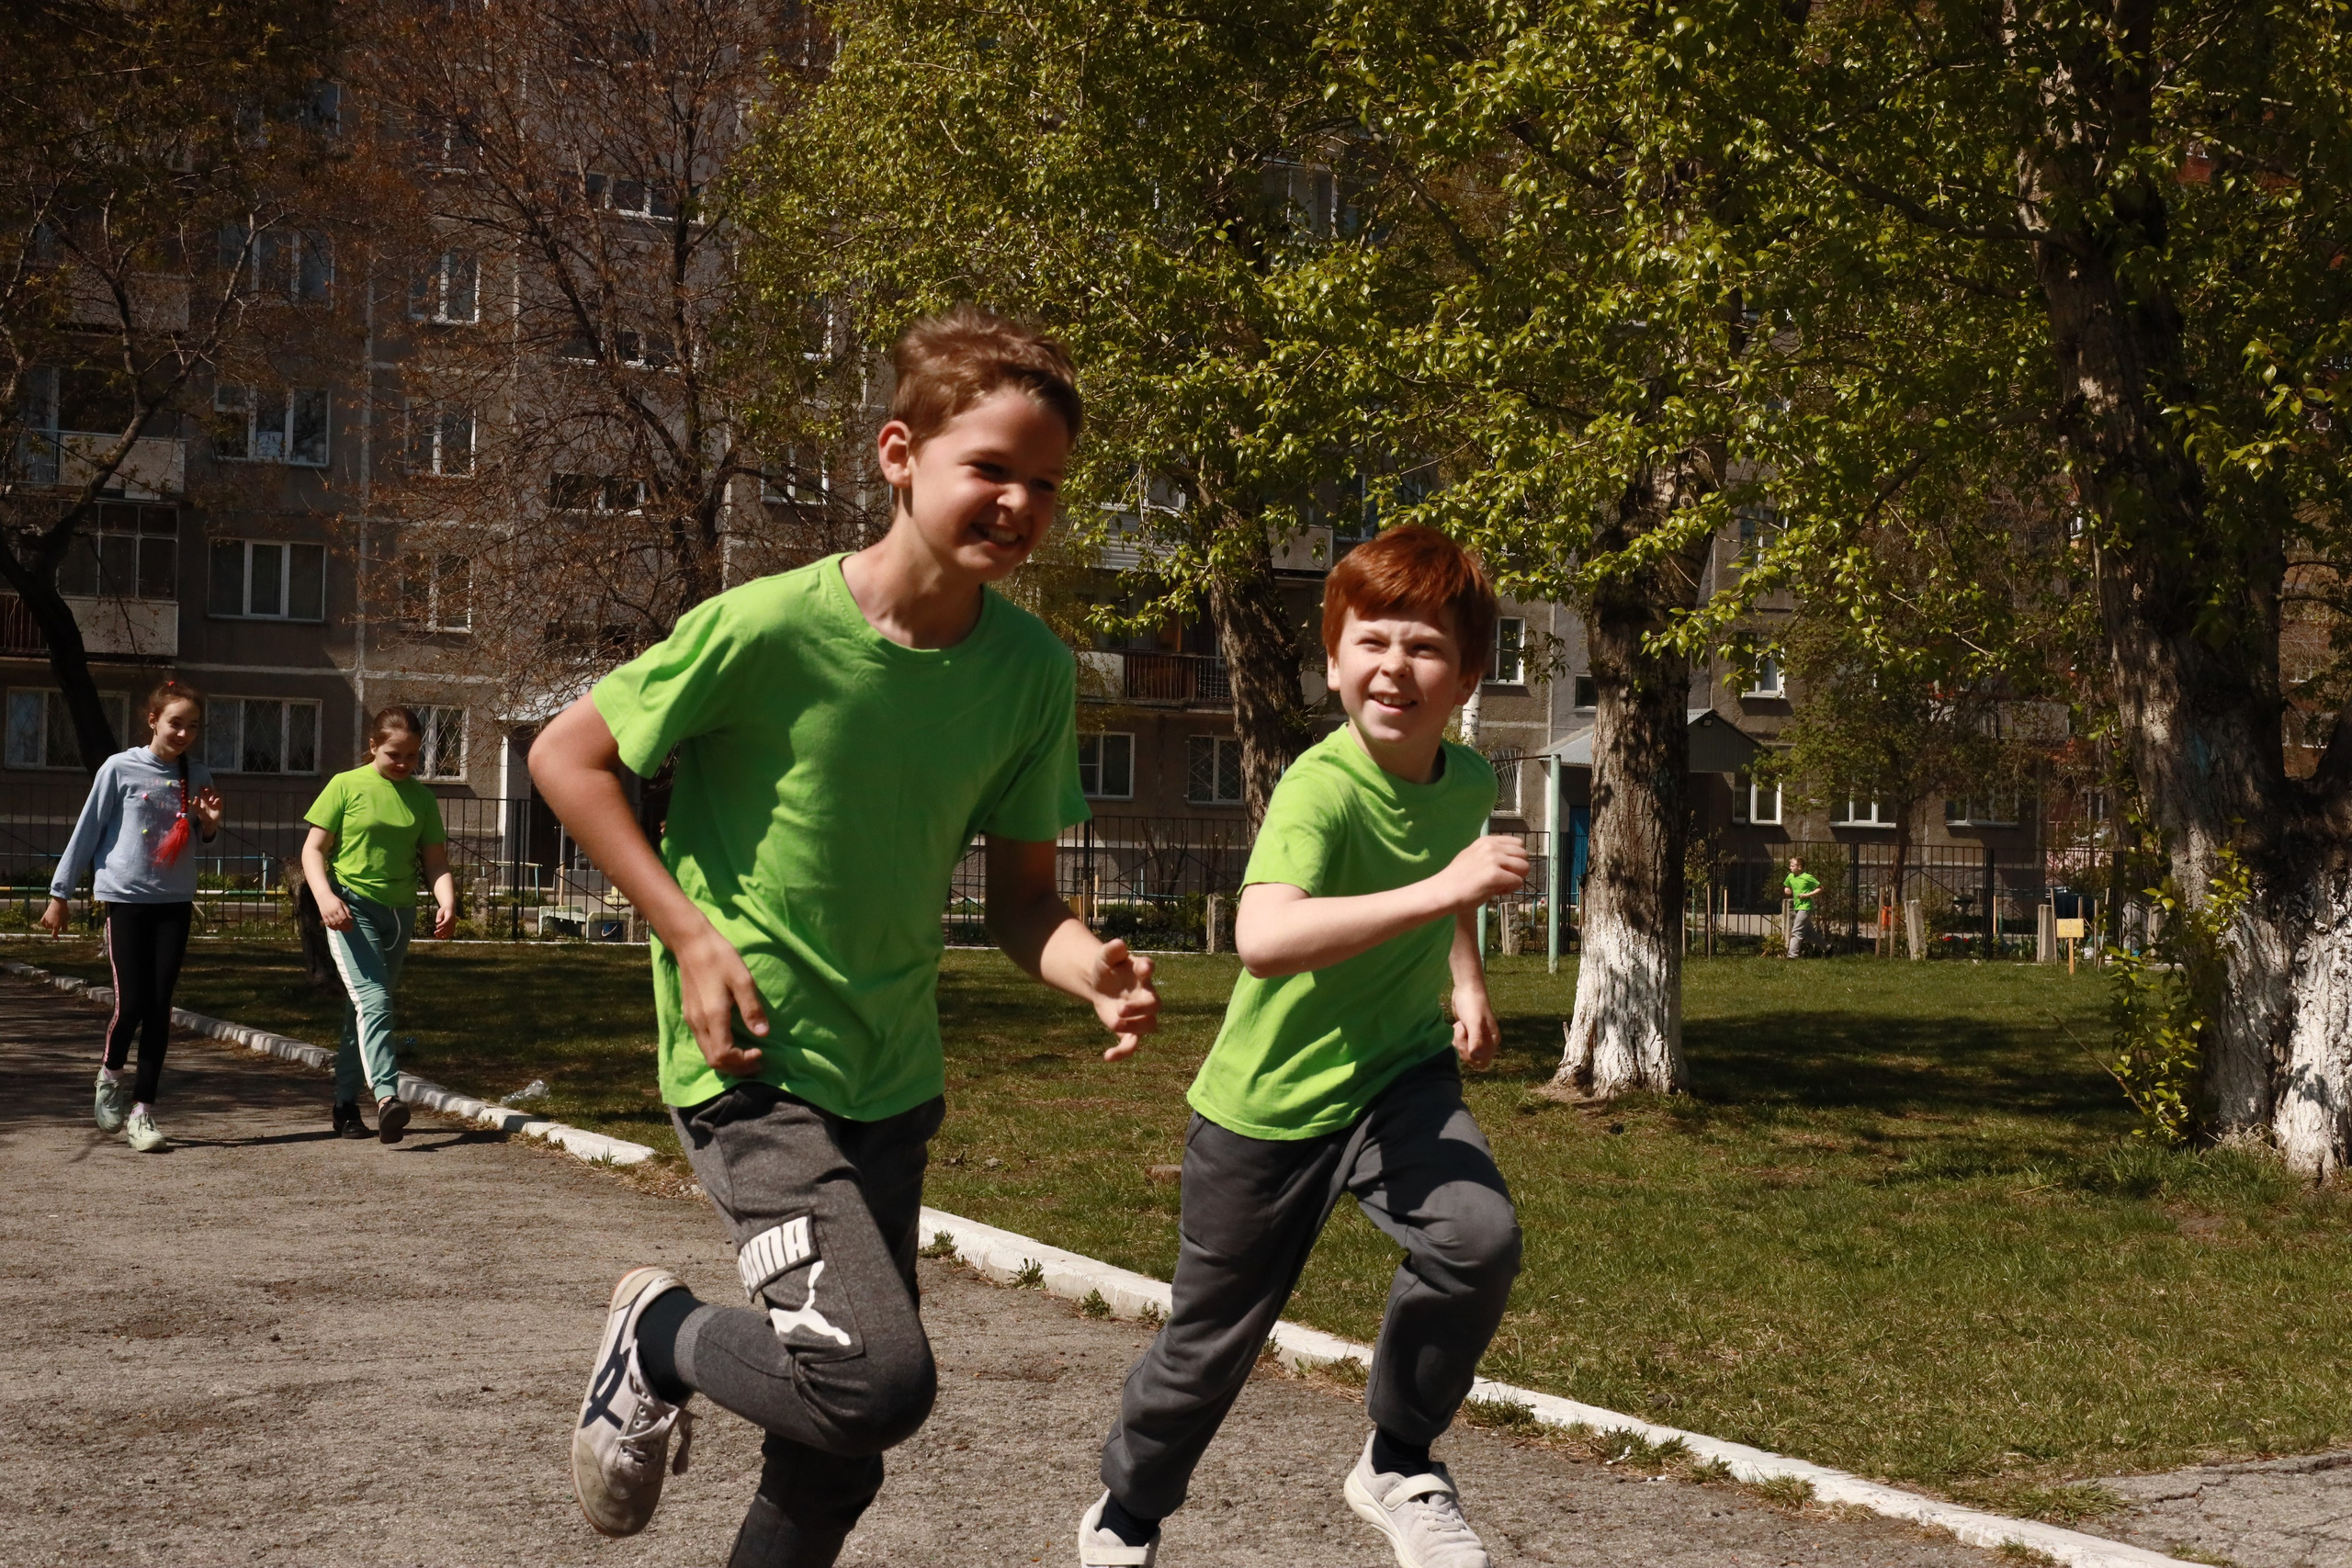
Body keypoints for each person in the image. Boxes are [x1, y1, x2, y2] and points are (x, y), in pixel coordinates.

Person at [528, 305, 1162, 1568]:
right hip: (752, 1066)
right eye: (989, 467)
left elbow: (1022, 900)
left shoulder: (1033, 672)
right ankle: (658, 1337)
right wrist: (692, 937)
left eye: (1045, 483)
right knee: (873, 1379)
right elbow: (568, 754)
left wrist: (1085, 963)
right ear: (898, 455)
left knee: (834, 1459)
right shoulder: (766, 625)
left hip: (892, 1077)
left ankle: (672, 1354)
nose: (1018, 502)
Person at [1081, 525, 1527, 1568]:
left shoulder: (1461, 778)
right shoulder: (1318, 788)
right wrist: (1445, 892)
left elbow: (1445, 876)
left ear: (1464, 676)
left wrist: (1464, 975)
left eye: (1424, 648)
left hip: (1401, 1076)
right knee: (1207, 1351)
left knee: (1475, 1240)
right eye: (1370, 641)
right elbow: (1264, 939)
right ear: (1332, 662)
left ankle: (1398, 1459)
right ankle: (1125, 1515)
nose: (1394, 667)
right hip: (1268, 1107)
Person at [40, 678, 225, 1153]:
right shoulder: (119, 768)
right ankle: (110, 1075)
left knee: (160, 1006)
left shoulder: (197, 774)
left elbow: (201, 837)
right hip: (125, 898)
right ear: (153, 721)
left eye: (193, 727)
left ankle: (143, 1111)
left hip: (174, 901)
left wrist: (209, 827)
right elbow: (87, 830)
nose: (183, 734)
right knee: (132, 1002)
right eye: (175, 724)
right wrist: (60, 894)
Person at [300, 705, 457, 1144]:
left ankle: (345, 1105)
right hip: (351, 911)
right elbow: (313, 851)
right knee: (375, 1000)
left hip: (399, 914)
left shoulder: (421, 798)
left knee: (364, 1010)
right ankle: (388, 1096)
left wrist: (446, 901)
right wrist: (326, 898)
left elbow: (436, 860)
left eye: (412, 756)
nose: (404, 764)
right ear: (372, 747)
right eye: (394, 754)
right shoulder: (345, 786)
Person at [1784, 855, 1820, 958]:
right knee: (1808, 933)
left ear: (1799, 867)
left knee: (1796, 930)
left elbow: (1820, 888)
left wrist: (1807, 895)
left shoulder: (1808, 877)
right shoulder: (1790, 876)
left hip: (1806, 907)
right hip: (1797, 906)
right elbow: (1786, 886)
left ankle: (1792, 956)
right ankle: (1828, 948)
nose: (1790, 867)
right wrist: (1786, 890)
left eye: (1792, 866)